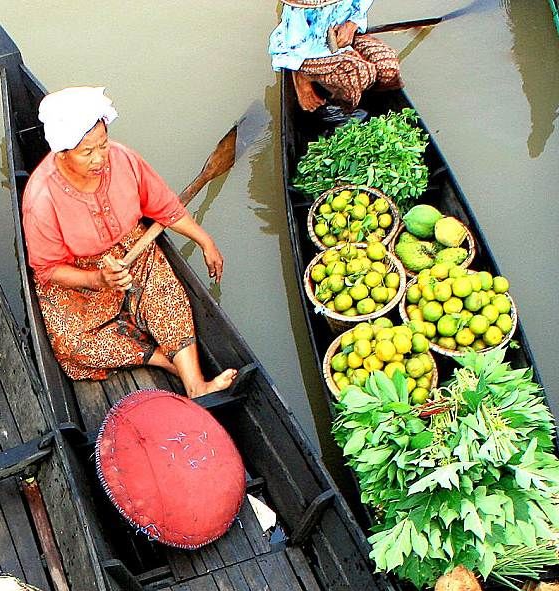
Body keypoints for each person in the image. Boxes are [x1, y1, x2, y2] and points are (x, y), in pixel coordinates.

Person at [21, 87, 237, 397]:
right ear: (62, 153)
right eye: (87, 152)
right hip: (76, 274)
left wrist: (205, 241)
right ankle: (160, 359)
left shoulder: (123, 159)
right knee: (71, 345)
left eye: (103, 145)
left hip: (131, 248)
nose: (100, 158)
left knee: (166, 295)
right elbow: (47, 270)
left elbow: (165, 207)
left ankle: (196, 384)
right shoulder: (41, 200)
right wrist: (98, 279)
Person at [271, 0, 403, 114]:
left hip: (343, 33)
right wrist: (300, 77)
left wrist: (352, 24)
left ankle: (374, 105)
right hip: (308, 49)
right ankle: (339, 108)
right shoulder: (297, 9)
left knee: (387, 66)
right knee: (358, 73)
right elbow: (292, 47)